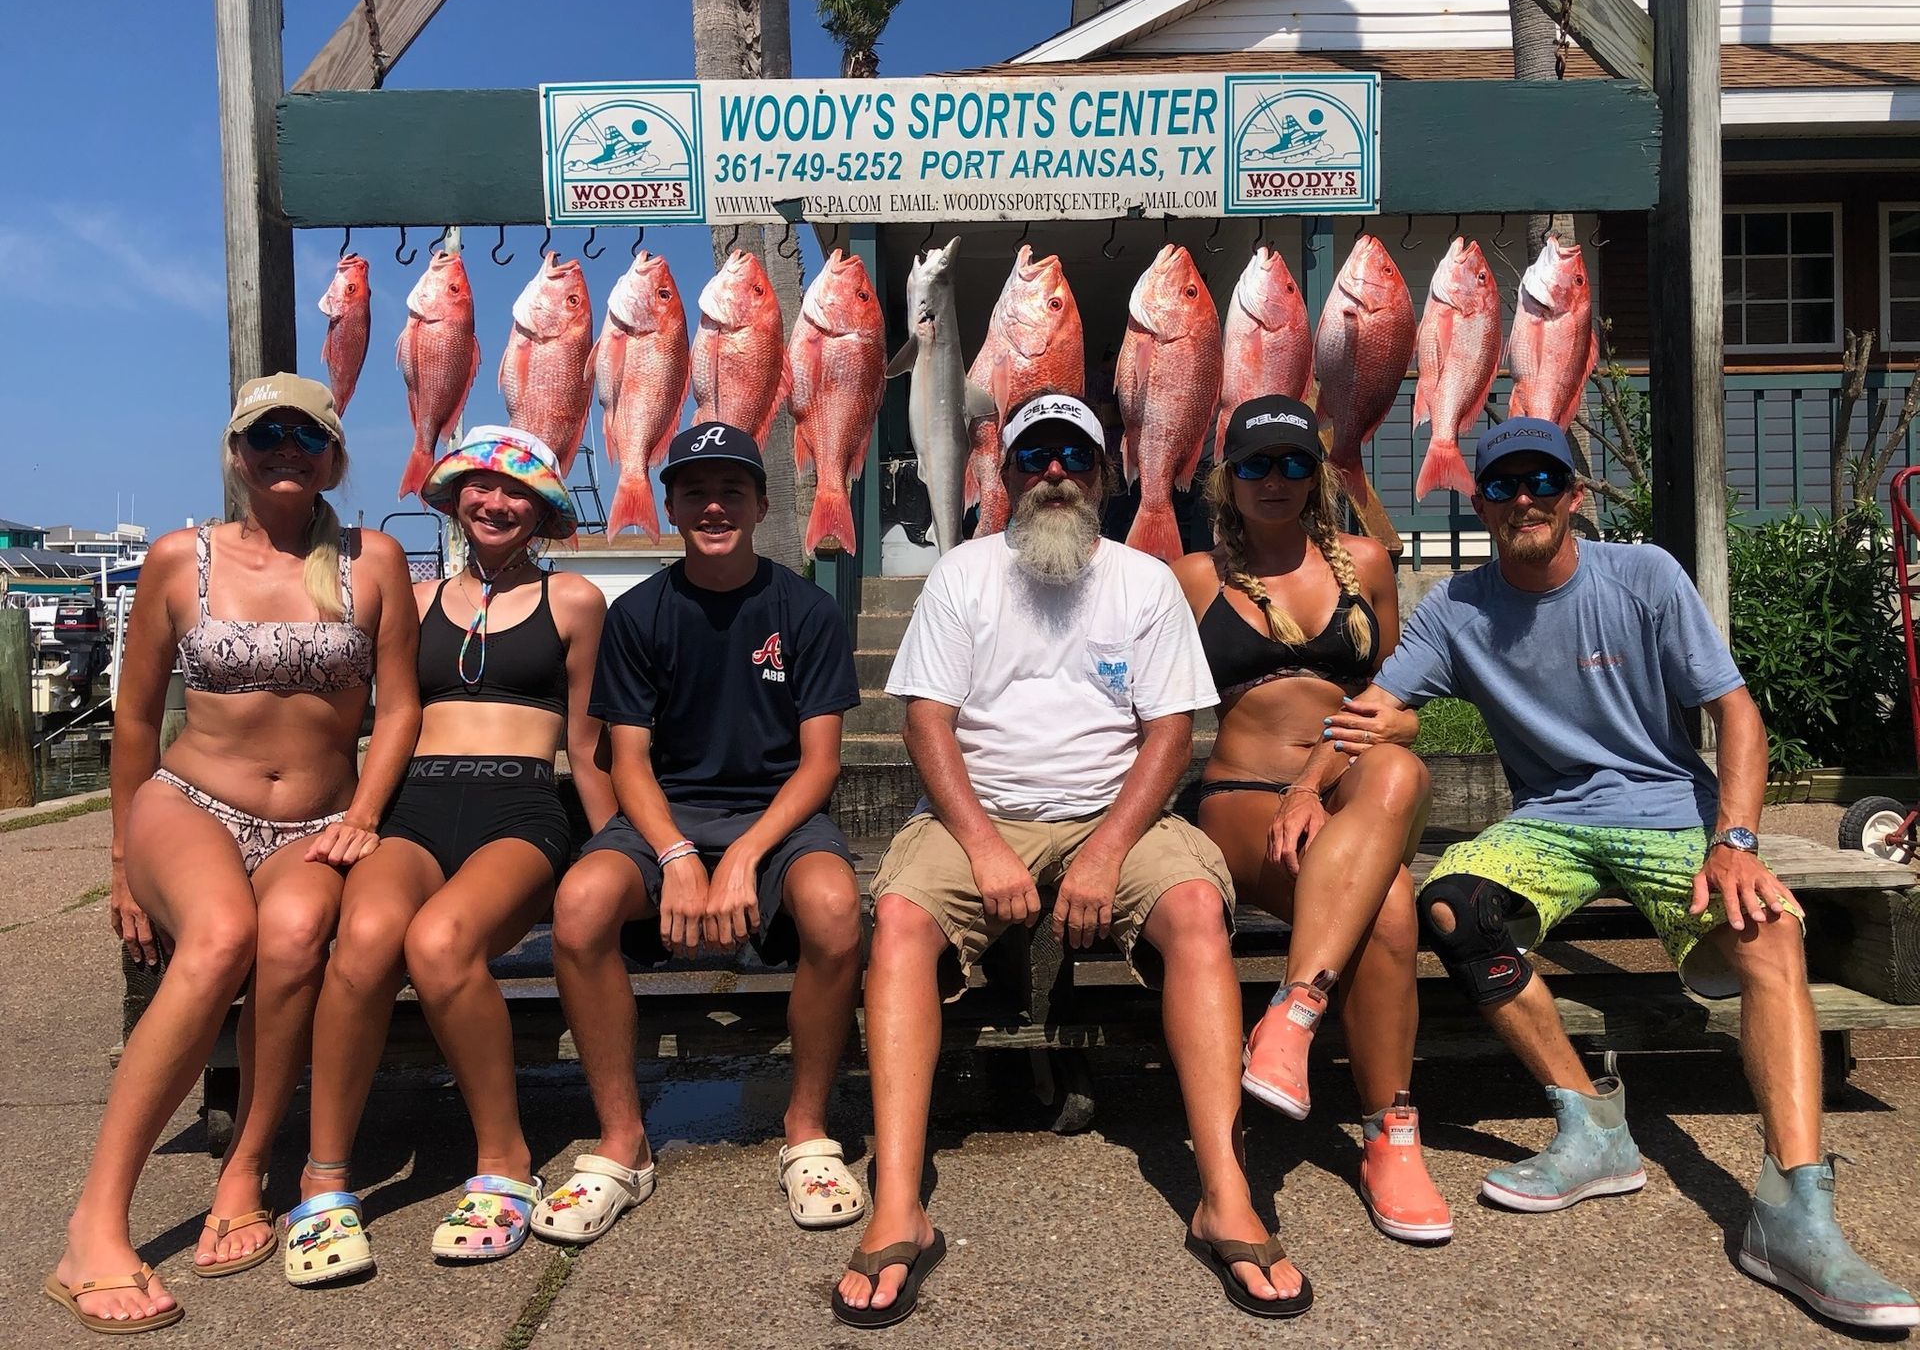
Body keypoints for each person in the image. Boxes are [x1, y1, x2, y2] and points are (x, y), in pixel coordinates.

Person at [1308, 417, 1918, 1330]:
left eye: (1543, 482)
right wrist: (1306, 789)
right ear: (1479, 503)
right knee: (1451, 905)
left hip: (1671, 814)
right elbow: (1375, 707)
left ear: (1574, 497)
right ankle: (1593, 1124)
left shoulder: (1644, 576)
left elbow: (1736, 714)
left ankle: (1796, 1208)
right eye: (1505, 485)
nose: (1525, 500)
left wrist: (1737, 841)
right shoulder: (1456, 608)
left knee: (1767, 927)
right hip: (1549, 823)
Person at [833, 393, 1312, 1329]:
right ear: (1001, 477)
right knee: (896, 924)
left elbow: (1170, 731)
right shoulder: (963, 575)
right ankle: (899, 1201)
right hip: (985, 814)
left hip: (1115, 816)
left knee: (1195, 915)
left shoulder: (1142, 581)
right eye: (1032, 457)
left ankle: (1224, 1191)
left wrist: (1104, 851)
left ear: (1105, 475)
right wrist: (979, 843)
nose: (1054, 472)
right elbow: (926, 719)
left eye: (1074, 457)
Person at [47, 374, 420, 1335]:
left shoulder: (376, 561)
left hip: (318, 821)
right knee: (217, 941)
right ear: (237, 454)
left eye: (307, 434)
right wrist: (125, 861)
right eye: (266, 436)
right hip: (193, 802)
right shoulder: (180, 559)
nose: (286, 449)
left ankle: (248, 1165)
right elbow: (134, 722)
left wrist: (366, 813)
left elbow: (401, 705)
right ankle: (96, 1226)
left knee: (293, 937)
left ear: (334, 454)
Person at [282, 426, 615, 1281]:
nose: (495, 503)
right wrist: (352, 808)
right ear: (455, 498)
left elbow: (588, 746)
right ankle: (325, 1180)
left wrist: (616, 848)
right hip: (417, 803)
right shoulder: (416, 597)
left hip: (521, 802)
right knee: (360, 945)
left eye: (516, 493)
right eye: (480, 487)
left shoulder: (574, 601)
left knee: (439, 943)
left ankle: (504, 1157)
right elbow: (372, 714)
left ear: (541, 511)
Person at [543, 421, 865, 1248]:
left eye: (730, 491)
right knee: (579, 907)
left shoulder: (809, 608)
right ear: (670, 505)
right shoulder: (640, 613)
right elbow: (628, 761)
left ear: (762, 503)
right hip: (666, 814)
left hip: (777, 814)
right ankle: (622, 1141)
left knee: (834, 909)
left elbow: (820, 764)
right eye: (693, 491)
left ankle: (805, 1128)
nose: (713, 506)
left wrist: (749, 853)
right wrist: (679, 855)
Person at [1170, 394, 1448, 1244]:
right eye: (1256, 464)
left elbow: (1391, 702)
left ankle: (1295, 1011)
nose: (1275, 481)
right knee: (1391, 904)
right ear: (1228, 478)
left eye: (1294, 464)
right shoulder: (1193, 577)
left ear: (1317, 477)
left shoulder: (1366, 561)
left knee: (1396, 760)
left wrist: (1324, 776)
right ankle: (1391, 1135)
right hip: (1244, 795)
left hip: (1353, 790)